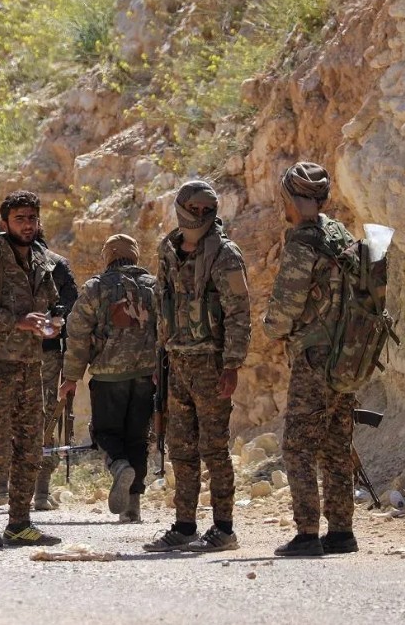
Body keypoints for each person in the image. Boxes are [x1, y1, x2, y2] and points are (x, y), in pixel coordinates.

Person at [143, 181, 250, 553]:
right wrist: (159, 356)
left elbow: (239, 312)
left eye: (207, 210)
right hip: (176, 361)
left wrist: (232, 364)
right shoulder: (168, 249)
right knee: (180, 447)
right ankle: (184, 525)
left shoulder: (225, 254)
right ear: (180, 208)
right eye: (194, 208)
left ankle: (224, 528)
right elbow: (161, 305)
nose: (200, 215)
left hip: (210, 364)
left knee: (214, 448)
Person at [262, 162, 361, 556]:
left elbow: (284, 312)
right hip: (348, 356)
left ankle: (306, 534)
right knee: (336, 444)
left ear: (290, 199)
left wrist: (271, 327)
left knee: (299, 445)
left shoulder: (303, 243)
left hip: (315, 357)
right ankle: (341, 532)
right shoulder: (341, 235)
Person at [0, 190, 63, 547]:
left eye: (32, 218)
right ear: (4, 223)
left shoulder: (41, 260)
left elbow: (51, 304)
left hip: (31, 366)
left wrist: (52, 323)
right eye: (20, 219)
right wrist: (16, 321)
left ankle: (19, 523)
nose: (28, 225)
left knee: (31, 449)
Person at [58, 234, 157, 523]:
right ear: (135, 255)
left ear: (108, 257)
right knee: (138, 437)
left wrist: (71, 376)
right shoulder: (155, 287)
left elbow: (77, 334)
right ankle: (132, 507)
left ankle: (119, 466)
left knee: (106, 433)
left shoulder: (95, 288)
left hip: (107, 377)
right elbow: (168, 329)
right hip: (146, 375)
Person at [0, 230, 77, 511]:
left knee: (5, 415)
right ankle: (41, 492)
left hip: (6, 354)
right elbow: (71, 309)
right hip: (46, 354)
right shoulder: (57, 264)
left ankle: (2, 487)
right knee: (45, 416)